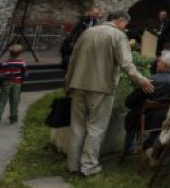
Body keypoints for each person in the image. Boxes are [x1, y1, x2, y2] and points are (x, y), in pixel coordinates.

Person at [64, 10, 154, 177]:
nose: (125, 28)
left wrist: (68, 84)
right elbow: (127, 64)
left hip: (78, 84)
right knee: (96, 127)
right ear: (120, 21)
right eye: (125, 25)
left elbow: (73, 60)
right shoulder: (117, 35)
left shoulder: (88, 32)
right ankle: (88, 166)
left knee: (77, 126)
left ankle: (73, 164)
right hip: (101, 87)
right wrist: (142, 80)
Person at [123, 49, 170, 154]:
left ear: (164, 65)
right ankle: (149, 145)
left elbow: (130, 101)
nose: (157, 63)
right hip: (168, 119)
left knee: (133, 115)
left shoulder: (150, 81)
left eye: (159, 61)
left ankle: (129, 148)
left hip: (147, 120)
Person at [0, 44, 29, 126]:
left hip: (6, 83)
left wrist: (3, 79)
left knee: (1, 101)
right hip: (17, 84)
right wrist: (23, 80)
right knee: (15, 101)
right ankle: (13, 118)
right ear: (20, 53)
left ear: (10, 53)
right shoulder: (23, 63)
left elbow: (0, 75)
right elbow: (25, 74)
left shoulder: (5, 63)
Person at [61, 5, 101, 70]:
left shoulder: (94, 21)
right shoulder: (84, 19)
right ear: (91, 12)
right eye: (96, 13)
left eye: (98, 14)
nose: (97, 15)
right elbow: (78, 30)